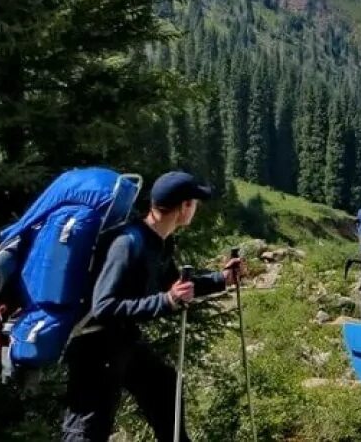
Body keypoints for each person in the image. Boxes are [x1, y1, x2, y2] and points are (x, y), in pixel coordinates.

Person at [60, 170, 243, 442]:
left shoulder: (158, 242)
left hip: (123, 341)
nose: (196, 208)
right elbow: (103, 306)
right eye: (195, 202)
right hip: (95, 348)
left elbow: (175, 283)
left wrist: (222, 279)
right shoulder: (128, 243)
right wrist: (166, 300)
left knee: (164, 386)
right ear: (184, 207)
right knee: (86, 431)